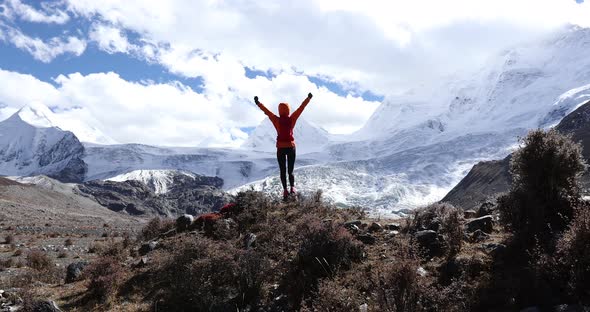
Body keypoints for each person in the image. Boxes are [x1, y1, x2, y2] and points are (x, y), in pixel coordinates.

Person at [254, 93, 313, 199]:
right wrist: (308, 98)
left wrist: (258, 103)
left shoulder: (276, 119)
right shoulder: (292, 119)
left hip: (280, 148)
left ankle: (285, 190)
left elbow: (266, 111)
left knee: (282, 170)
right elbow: (301, 108)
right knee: (290, 170)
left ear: (279, 110)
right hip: (291, 147)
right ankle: (292, 188)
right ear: (288, 110)